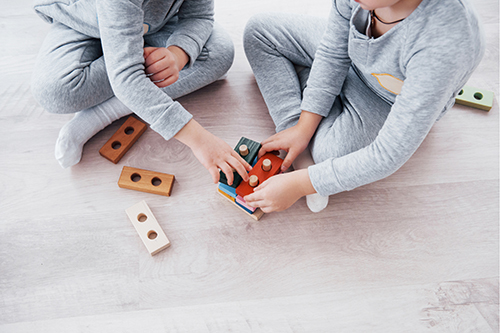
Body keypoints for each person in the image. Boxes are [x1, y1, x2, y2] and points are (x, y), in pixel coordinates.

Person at [243, 0, 484, 213]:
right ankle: (296, 135)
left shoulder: (443, 41)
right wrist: (303, 127)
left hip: (386, 100)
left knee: (329, 153)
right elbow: (333, 53)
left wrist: (303, 183)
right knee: (259, 32)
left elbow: (388, 154)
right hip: (353, 60)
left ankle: (308, 102)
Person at [31, 0, 251, 186]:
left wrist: (177, 54)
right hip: (87, 23)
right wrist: (200, 140)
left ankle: (108, 107)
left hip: (153, 24)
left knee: (220, 52)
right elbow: (126, 77)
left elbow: (199, 16)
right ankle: (105, 108)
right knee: (55, 91)